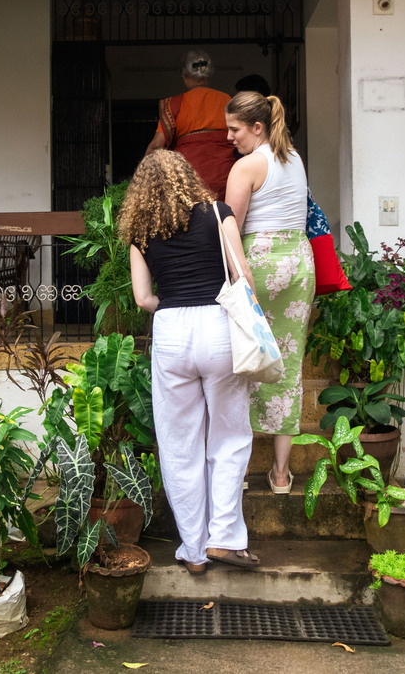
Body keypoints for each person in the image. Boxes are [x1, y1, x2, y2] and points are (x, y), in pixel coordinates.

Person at [121, 150, 260, 573]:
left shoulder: (140, 231)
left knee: (180, 445)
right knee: (229, 436)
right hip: (219, 325)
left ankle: (195, 551)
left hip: (171, 330)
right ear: (188, 177)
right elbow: (243, 277)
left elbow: (143, 298)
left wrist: (176, 307)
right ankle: (225, 538)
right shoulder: (219, 213)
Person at [223, 91, 316, 495]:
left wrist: (238, 281)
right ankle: (280, 475)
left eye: (234, 129)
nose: (229, 137)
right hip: (298, 261)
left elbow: (231, 231)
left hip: (259, 262)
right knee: (287, 364)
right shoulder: (293, 159)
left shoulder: (245, 167)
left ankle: (239, 474)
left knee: (243, 360)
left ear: (256, 127)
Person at [145, 49, 238, 200]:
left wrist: (145, 179)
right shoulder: (227, 100)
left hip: (188, 183)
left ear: (184, 76)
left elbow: (157, 145)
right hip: (225, 181)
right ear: (209, 74)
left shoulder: (173, 105)